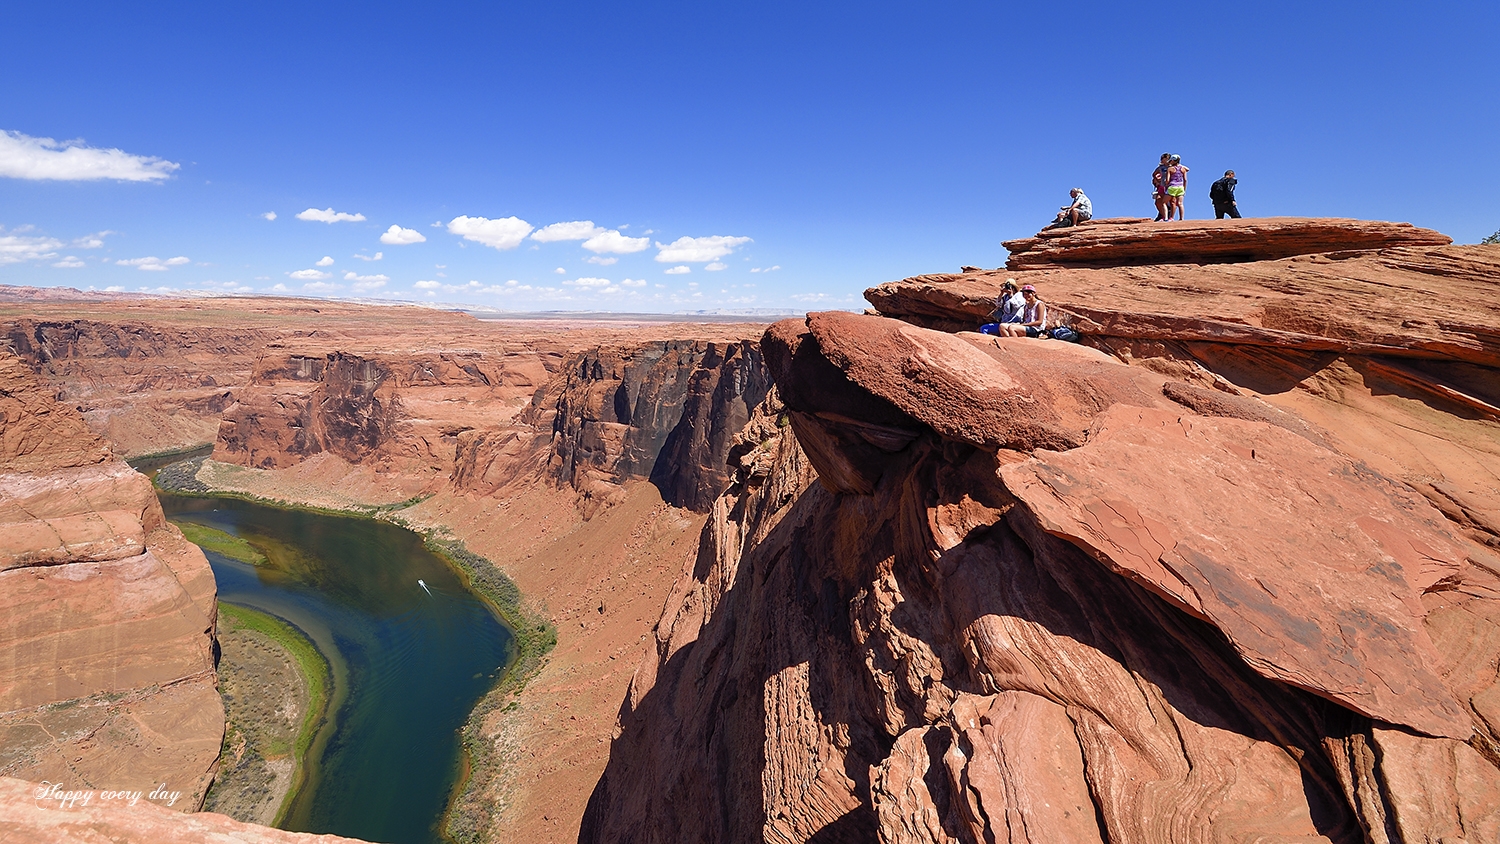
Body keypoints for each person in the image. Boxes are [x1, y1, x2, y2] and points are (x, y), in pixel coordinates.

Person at [1165, 155, 1189, 220]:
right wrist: (1184, 189)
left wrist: (1166, 185)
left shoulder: (1170, 169)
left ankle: (1168, 217)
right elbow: (1185, 179)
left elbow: (1167, 180)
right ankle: (1181, 218)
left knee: (1163, 202)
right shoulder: (1183, 169)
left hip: (1172, 187)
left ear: (1173, 160)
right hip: (1181, 187)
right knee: (1180, 203)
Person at [1151, 153, 1172, 221]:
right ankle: (1163, 215)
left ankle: (1169, 217)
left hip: (1170, 186)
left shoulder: (1172, 167)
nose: (1161, 160)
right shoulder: (1161, 167)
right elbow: (1154, 174)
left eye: (1163, 159)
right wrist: (1158, 180)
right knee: (1158, 201)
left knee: (1170, 202)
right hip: (1162, 186)